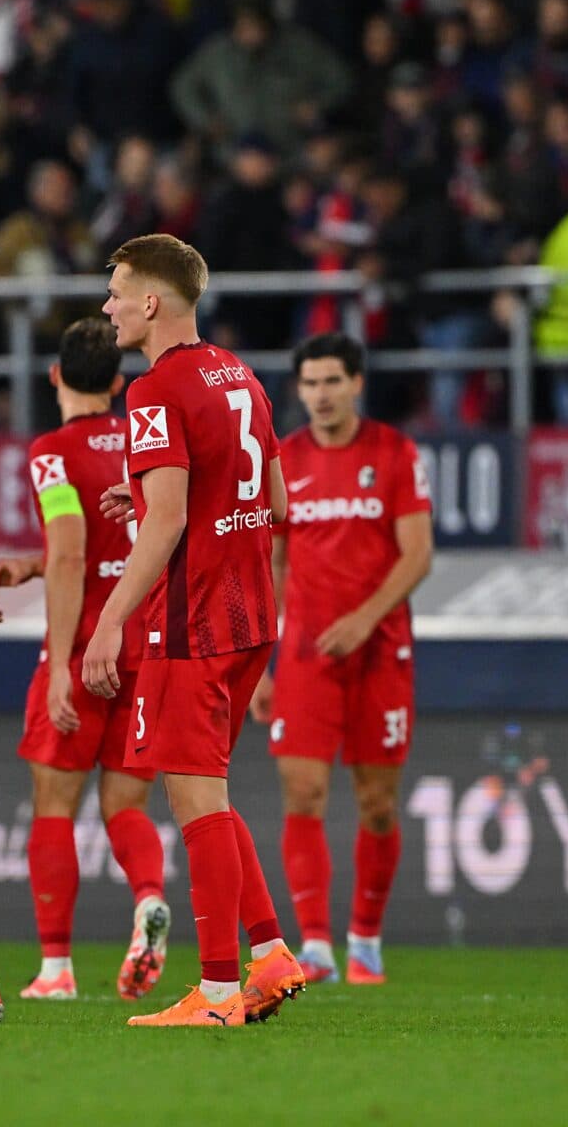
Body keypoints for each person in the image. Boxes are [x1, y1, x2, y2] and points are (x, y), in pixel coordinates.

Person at [82, 233, 302, 1027]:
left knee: (194, 798)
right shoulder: (238, 373)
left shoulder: (154, 390)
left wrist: (110, 620)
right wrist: (143, 497)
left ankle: (214, 996)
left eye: (116, 291)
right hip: (251, 616)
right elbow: (275, 502)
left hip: (192, 620)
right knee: (211, 792)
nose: (106, 306)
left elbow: (169, 521)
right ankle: (271, 953)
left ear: (151, 300)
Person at [0, 317, 170, 1003]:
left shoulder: (54, 452)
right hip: (147, 646)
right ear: (119, 384)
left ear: (54, 376)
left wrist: (60, 663)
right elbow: (122, 544)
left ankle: (56, 970)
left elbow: (71, 549)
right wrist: (30, 566)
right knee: (127, 803)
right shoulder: (145, 440)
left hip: (90, 640)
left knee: (54, 807)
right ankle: (148, 895)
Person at [252, 333, 433, 987]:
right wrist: (260, 659)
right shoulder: (284, 460)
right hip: (304, 653)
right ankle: (319, 948)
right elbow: (271, 561)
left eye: (332, 381)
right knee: (302, 793)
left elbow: (418, 555)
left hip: (380, 649)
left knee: (377, 802)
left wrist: (364, 620)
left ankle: (366, 940)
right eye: (310, 383)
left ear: (357, 383)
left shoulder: (393, 453)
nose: (321, 395)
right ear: (298, 390)